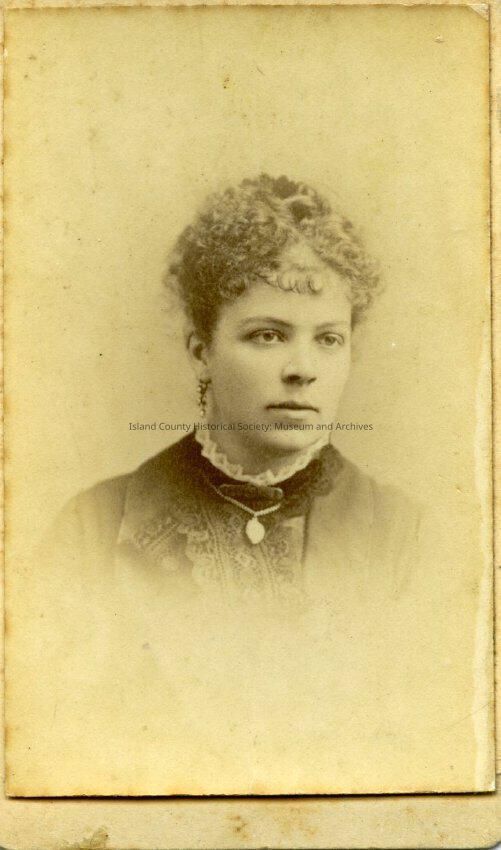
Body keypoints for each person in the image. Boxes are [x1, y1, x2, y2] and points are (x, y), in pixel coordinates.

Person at [44, 174, 421, 608]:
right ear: (201, 351)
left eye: (328, 339)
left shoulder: (407, 538)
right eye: (268, 335)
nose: (303, 370)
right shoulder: (93, 530)